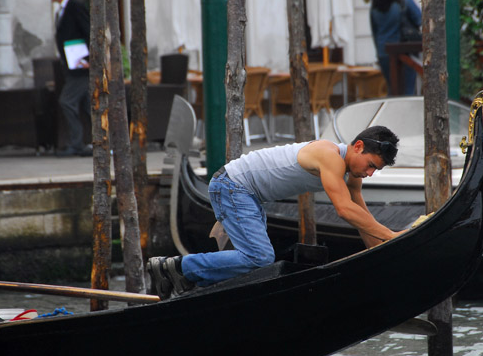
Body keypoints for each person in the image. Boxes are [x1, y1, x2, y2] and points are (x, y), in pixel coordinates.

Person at [148, 126, 407, 299]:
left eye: (377, 171)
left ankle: (189, 281)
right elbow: (344, 210)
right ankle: (179, 267)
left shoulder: (352, 174)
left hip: (248, 195)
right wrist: (392, 235)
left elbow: (364, 220)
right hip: (232, 186)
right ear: (358, 146)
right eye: (371, 165)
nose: (371, 173)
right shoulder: (330, 156)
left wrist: (382, 256)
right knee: (259, 258)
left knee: (254, 263)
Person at [46, 0, 92, 157]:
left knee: (67, 101)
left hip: (81, 68)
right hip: (72, 67)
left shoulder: (75, 7)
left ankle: (77, 143)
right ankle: (101, 142)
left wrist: (90, 60)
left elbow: (89, 32)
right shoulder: (62, 10)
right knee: (90, 106)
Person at [370, 0, 422, 96]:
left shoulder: (375, 5)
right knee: (407, 91)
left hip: (383, 53)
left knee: (393, 90)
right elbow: (420, 19)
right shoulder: (404, 0)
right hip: (405, 52)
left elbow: (375, 32)